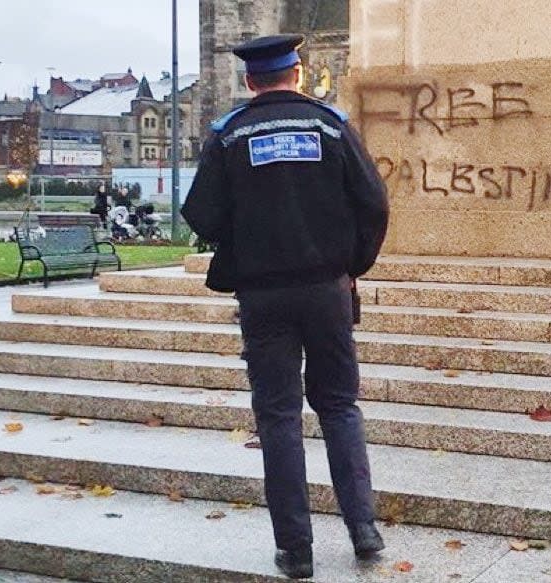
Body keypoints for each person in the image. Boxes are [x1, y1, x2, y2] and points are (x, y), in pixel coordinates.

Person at [180, 34, 389, 580]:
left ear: (251, 81)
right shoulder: (331, 125)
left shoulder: (229, 135)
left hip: (263, 295)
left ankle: (295, 551)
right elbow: (374, 203)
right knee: (340, 406)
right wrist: (351, 267)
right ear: (298, 74)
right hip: (328, 290)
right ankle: (364, 530)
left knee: (277, 416)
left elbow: (201, 213)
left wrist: (249, 239)